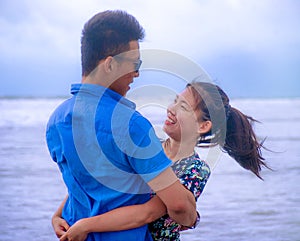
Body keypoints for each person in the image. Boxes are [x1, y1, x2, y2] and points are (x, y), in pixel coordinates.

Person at [46, 10, 198, 241]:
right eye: (135, 63)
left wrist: (56, 215)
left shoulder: (57, 121)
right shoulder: (131, 125)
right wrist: (191, 217)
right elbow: (178, 206)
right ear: (109, 65)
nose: (137, 73)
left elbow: (84, 184)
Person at [52, 81, 269, 241]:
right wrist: (58, 214)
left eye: (183, 107)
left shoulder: (194, 170)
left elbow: (148, 213)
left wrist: (86, 225)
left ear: (203, 126)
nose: (171, 109)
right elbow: (101, 180)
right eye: (175, 101)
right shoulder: (150, 145)